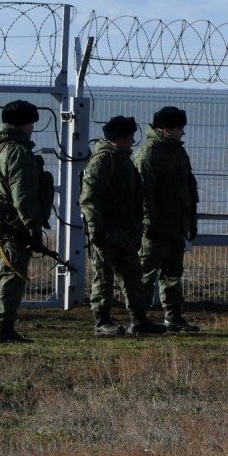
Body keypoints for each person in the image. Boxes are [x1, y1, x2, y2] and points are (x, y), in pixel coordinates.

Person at [81, 115, 167, 337]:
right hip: (107, 231)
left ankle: (138, 321)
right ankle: (101, 322)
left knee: (132, 276)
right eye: (129, 137)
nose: (132, 141)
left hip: (126, 231)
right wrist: (95, 230)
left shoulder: (123, 160)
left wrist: (137, 226)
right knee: (103, 277)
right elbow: (89, 199)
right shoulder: (103, 161)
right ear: (119, 138)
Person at [0, 99, 53, 344]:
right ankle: (3, 329)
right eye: (31, 123)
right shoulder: (18, 152)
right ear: (24, 125)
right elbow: (22, 195)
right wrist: (33, 226)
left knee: (9, 274)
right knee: (13, 276)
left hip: (2, 222)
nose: (33, 128)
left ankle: (4, 328)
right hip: (15, 226)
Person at [135, 105, 202, 332]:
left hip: (175, 223)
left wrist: (190, 220)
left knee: (173, 273)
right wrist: (149, 222)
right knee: (146, 271)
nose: (182, 133)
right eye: (179, 128)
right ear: (166, 129)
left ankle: (173, 316)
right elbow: (143, 191)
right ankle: (139, 318)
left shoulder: (177, 152)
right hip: (156, 225)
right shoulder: (150, 153)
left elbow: (187, 187)